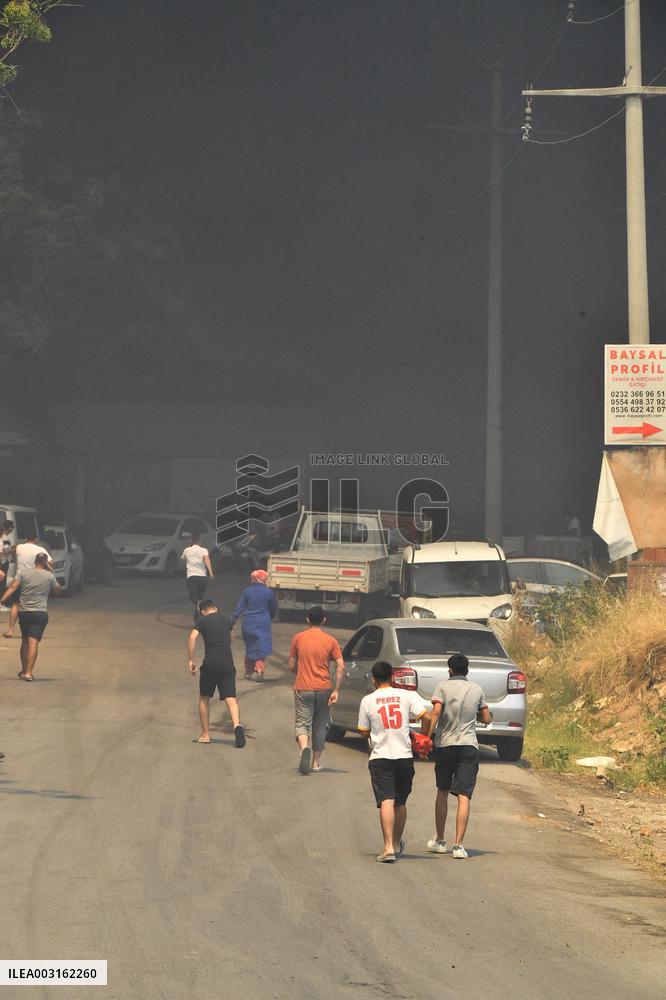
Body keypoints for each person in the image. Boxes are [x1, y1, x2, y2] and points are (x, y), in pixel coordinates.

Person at [358, 661, 430, 863]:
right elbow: (428, 716)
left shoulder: (368, 700)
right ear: (391, 677)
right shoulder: (406, 695)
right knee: (400, 802)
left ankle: (388, 848)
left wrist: (371, 733)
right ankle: (397, 843)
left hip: (381, 757)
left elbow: (363, 731)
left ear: (373, 679)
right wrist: (425, 738)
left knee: (386, 801)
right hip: (404, 757)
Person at [426, 653, 491, 859]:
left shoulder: (443, 687)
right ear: (467, 670)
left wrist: (428, 736)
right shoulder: (477, 689)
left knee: (442, 791)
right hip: (468, 745)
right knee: (464, 796)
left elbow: (436, 711)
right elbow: (487, 718)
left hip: (446, 744)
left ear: (450, 670)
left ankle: (440, 840)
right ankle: (459, 845)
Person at [288, 605, 345, 774]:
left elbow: (291, 665)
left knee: (302, 722)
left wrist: (300, 671)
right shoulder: (331, 641)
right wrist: (336, 690)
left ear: (307, 619)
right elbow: (341, 666)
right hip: (324, 689)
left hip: (303, 687)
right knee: (320, 725)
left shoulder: (298, 638)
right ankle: (315, 763)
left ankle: (304, 747)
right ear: (324, 620)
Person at [187, 598, 245, 748]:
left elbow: (192, 637)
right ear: (215, 608)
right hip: (227, 664)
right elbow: (232, 639)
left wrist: (191, 660)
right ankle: (237, 725)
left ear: (202, 611)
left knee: (204, 697)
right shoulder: (227, 620)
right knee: (231, 698)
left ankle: (205, 735)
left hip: (210, 664)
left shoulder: (201, 621)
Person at [1, 553, 61, 681]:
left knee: (24, 641)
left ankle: (23, 670)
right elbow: (57, 590)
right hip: (40, 613)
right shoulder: (49, 576)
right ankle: (29, 672)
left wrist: (2, 600)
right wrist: (50, 571)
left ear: (35, 561)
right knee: (33, 642)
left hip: (24, 612)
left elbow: (13, 586)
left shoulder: (23, 573)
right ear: (45, 562)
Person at [3, 530, 51, 639]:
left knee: (15, 604)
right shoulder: (40, 549)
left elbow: (12, 554)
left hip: (20, 578)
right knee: (33, 603)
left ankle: (11, 630)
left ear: (25, 538)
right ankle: (32, 628)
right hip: (35, 579)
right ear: (36, 539)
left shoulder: (19, 547)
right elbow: (50, 562)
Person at [231, 569, 277, 680]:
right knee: (260, 647)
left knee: (250, 646)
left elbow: (239, 607)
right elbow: (273, 609)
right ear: (263, 579)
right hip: (262, 623)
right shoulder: (268, 592)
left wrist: (233, 620)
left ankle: (248, 672)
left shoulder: (246, 591)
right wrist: (269, 617)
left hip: (248, 623)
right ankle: (259, 669)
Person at [181, 533, 213, 621]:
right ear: (200, 541)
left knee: (193, 597)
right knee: (200, 596)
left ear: (192, 541)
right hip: (202, 576)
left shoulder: (187, 550)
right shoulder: (204, 550)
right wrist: (210, 571)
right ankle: (197, 618)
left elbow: (183, 558)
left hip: (192, 576)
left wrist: (189, 547)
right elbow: (206, 559)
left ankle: (200, 605)